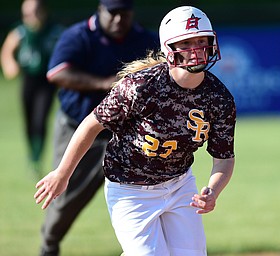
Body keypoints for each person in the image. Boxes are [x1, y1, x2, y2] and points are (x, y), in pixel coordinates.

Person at [35, 5, 236, 256]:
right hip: (130, 189)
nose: (196, 49)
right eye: (186, 42)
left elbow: (224, 158)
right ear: (169, 49)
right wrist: (62, 173)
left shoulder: (219, 98)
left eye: (201, 40)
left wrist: (213, 191)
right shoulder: (141, 86)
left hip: (180, 184)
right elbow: (91, 124)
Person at [37, 0, 159, 255]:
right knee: (65, 193)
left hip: (126, 133)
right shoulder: (79, 36)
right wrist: (105, 84)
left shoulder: (143, 38)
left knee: (154, 187)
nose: (118, 19)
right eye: (112, 13)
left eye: (124, 13)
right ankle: (49, 244)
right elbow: (57, 73)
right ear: (100, 10)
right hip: (78, 128)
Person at [0, 0, 63, 175]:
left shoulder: (54, 31)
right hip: (28, 79)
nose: (30, 17)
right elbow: (7, 51)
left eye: (33, 12)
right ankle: (31, 155)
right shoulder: (20, 31)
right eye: (26, 13)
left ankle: (37, 158)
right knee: (28, 121)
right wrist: (9, 65)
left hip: (47, 81)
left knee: (40, 119)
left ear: (42, 12)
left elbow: (66, 50)